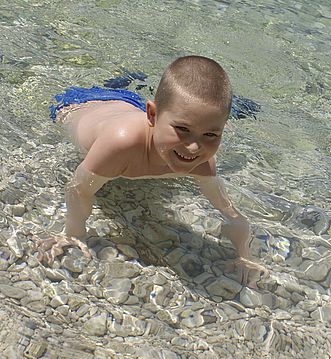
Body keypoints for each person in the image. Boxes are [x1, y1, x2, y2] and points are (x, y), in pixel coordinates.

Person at [37, 56, 265, 285]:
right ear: (152, 116)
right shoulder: (120, 145)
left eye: (211, 134)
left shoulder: (202, 160)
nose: (194, 147)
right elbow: (78, 189)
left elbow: (231, 214)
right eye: (183, 130)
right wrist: (73, 233)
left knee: (192, 109)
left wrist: (244, 256)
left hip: (136, 107)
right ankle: (127, 79)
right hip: (83, 102)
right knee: (125, 90)